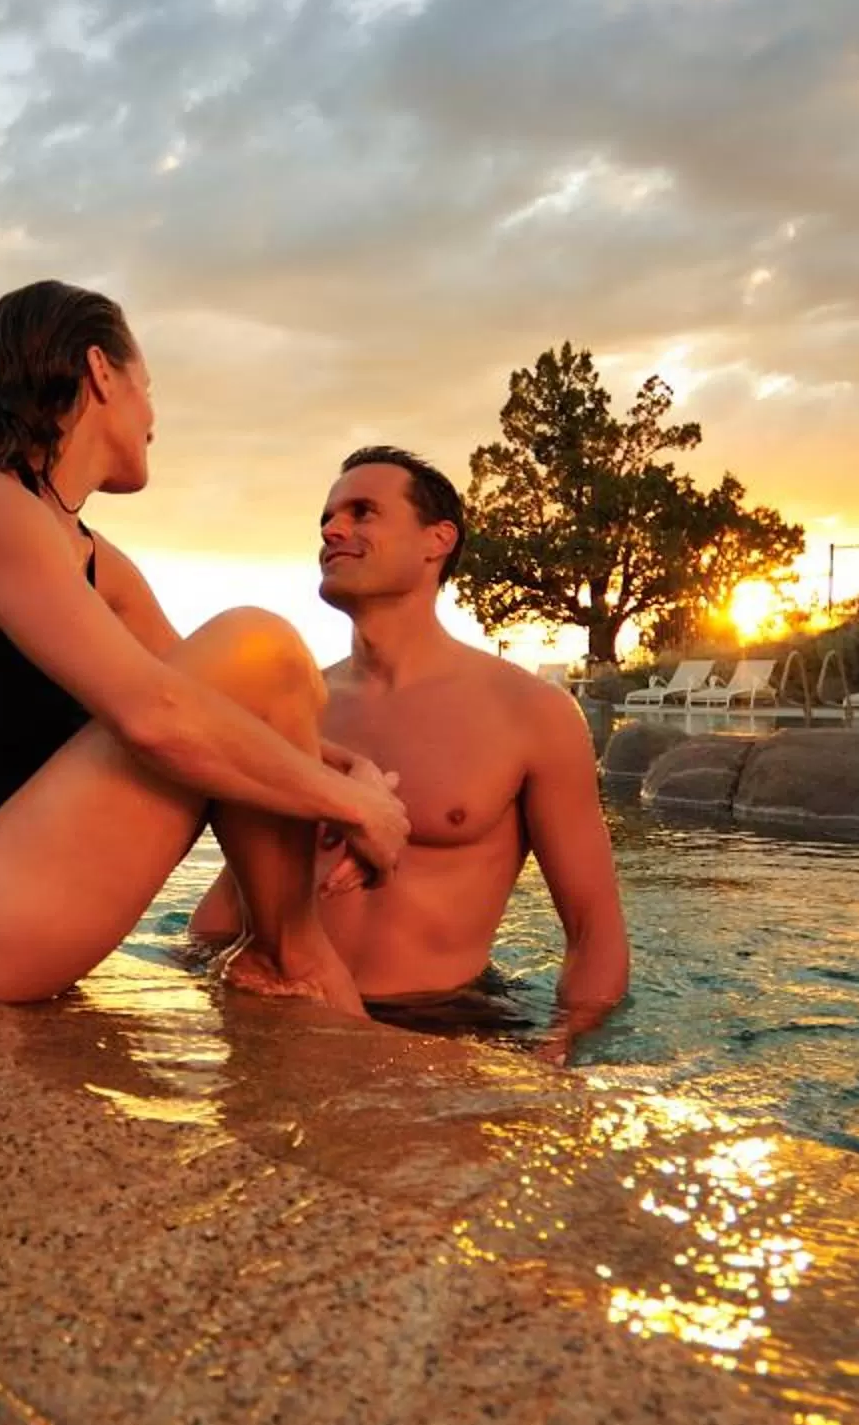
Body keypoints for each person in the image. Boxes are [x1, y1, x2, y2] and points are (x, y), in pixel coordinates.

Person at [0, 281, 412, 1009]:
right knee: (259, 642)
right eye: (147, 386)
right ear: (100, 372)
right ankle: (292, 959)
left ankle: (282, 957)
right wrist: (356, 808)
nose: (154, 418)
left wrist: (355, 772)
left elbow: (230, 709)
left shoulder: (89, 556)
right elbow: (157, 717)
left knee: (264, 664)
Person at [190, 447, 629, 1056]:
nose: (332, 530)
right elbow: (225, 904)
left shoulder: (532, 714)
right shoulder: (297, 707)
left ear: (437, 540)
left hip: (442, 1026)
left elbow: (594, 930)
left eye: (362, 512)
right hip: (281, 1012)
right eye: (326, 518)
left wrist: (564, 1047)